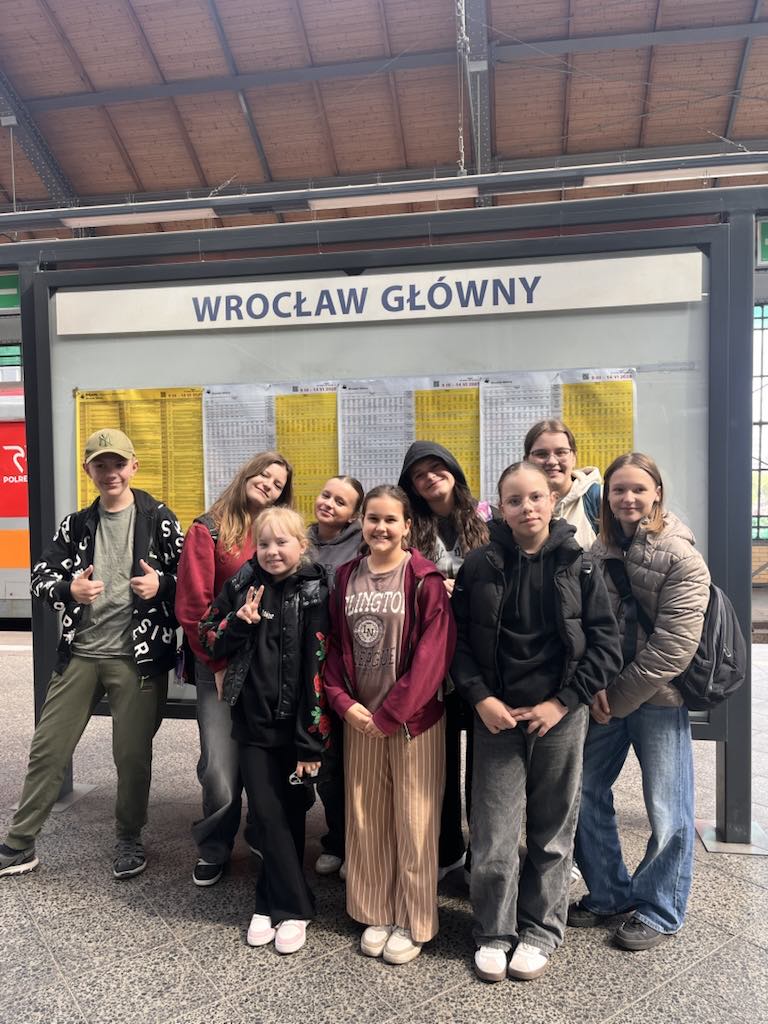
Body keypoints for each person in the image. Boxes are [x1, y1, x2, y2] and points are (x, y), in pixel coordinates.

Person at [451, 461, 621, 983]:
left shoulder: (581, 564)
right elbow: (457, 642)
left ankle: (541, 929)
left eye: (536, 497)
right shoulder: (479, 565)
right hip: (496, 717)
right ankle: (493, 931)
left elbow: (606, 646)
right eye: (514, 500)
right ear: (500, 508)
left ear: (552, 500)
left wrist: (563, 702)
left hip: (559, 718)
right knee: (493, 830)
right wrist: (480, 698)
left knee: (552, 830)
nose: (527, 507)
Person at [0, 428, 183, 880]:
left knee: (132, 757)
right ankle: (20, 843)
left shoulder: (158, 518)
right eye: (100, 464)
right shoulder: (76, 524)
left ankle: (129, 837)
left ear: (133, 466)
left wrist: (163, 585)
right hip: (80, 654)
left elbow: (194, 581)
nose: (110, 472)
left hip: (137, 660)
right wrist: (69, 589)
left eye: (118, 463)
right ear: (88, 470)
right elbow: (40, 578)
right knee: (48, 748)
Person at [570, 452, 710, 951]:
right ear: (606, 497)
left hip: (657, 699)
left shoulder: (681, 556)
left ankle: (660, 907)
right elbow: (588, 627)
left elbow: (674, 646)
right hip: (604, 697)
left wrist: (617, 696)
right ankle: (609, 892)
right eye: (618, 490)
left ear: (657, 494)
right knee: (581, 788)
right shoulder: (597, 552)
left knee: (668, 808)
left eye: (638, 489)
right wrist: (593, 686)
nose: (628, 498)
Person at [323, 485, 456, 965]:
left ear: (407, 526)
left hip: (412, 722)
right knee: (367, 818)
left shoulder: (424, 579)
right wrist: (343, 703)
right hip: (361, 720)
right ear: (362, 522)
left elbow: (433, 655)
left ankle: (413, 919)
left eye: (390, 520)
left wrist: (391, 713)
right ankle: (376, 910)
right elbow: (333, 646)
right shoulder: (346, 577)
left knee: (415, 822)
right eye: (373, 518)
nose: (381, 528)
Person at [199, 506, 329, 955]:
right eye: (264, 543)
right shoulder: (241, 584)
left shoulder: (316, 590)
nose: (272, 551)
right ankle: (292, 906)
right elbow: (208, 635)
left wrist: (311, 741)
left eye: (282, 542)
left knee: (290, 814)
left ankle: (267, 901)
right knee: (266, 814)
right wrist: (238, 622)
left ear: (301, 545)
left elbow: (319, 668)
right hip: (252, 724)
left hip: (297, 729)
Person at [175, 451, 292, 886]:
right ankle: (214, 844)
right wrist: (218, 663)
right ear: (246, 474)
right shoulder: (208, 529)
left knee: (264, 757)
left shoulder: (276, 532)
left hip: (268, 665)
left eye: (278, 484)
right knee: (220, 767)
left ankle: (261, 833)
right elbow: (193, 607)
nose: (268, 485)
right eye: (264, 475)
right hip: (219, 661)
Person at [398, 441, 493, 882]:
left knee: (483, 764)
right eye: (420, 474)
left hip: (480, 658)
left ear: (454, 471)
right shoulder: (409, 527)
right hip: (431, 660)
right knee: (439, 762)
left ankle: (480, 853)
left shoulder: (485, 519)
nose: (430, 478)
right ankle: (446, 848)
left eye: (437, 468)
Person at [307, 475, 364, 879]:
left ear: (354, 514)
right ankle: (336, 839)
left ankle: (361, 843)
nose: (329, 503)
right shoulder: (300, 540)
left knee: (356, 761)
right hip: (309, 667)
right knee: (326, 761)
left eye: (341, 502)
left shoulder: (363, 544)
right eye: (326, 495)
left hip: (351, 664)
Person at [523, 419, 601, 549]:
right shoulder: (517, 507)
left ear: (574, 457)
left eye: (561, 452)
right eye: (541, 454)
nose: (552, 461)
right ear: (526, 461)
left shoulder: (599, 500)